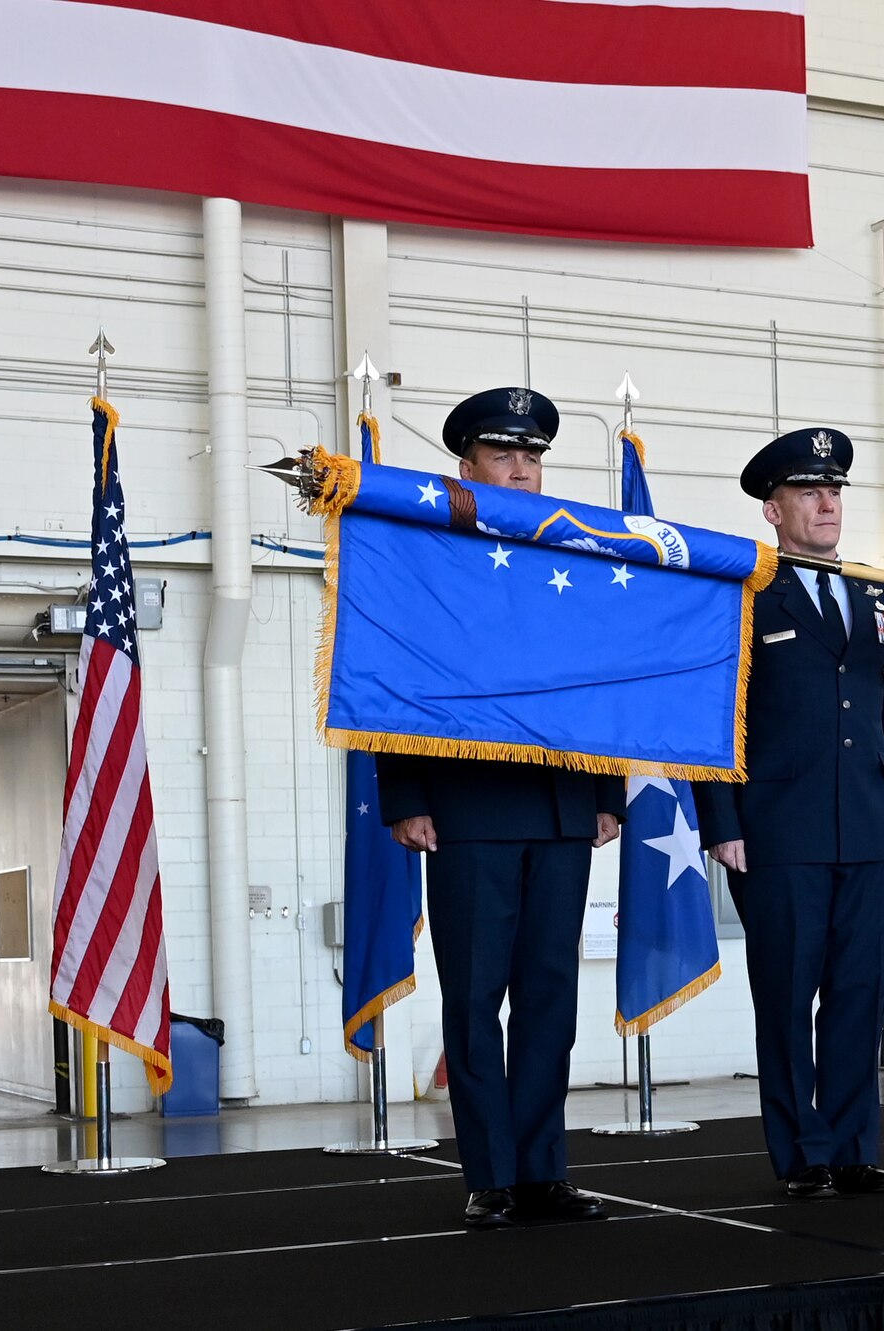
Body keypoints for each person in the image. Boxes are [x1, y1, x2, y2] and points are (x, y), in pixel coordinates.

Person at [376, 386, 624, 1229]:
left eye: (532, 455)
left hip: (561, 809)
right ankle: (489, 1173)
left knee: (551, 997)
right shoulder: (433, 559)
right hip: (467, 808)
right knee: (476, 1001)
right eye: (503, 454)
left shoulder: (578, 561)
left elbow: (600, 681)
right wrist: (404, 795)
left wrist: (605, 789)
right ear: (467, 467)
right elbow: (397, 678)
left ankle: (543, 1169)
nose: (522, 468)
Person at [694, 427, 884, 1200]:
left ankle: (853, 1146)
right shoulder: (748, 594)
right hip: (778, 829)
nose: (828, 502)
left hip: (866, 825)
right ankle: (802, 1154)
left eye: (836, 490)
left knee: (857, 993)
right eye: (810, 491)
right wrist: (721, 821)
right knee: (787, 997)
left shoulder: (876, 593)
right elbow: (716, 717)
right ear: (773, 508)